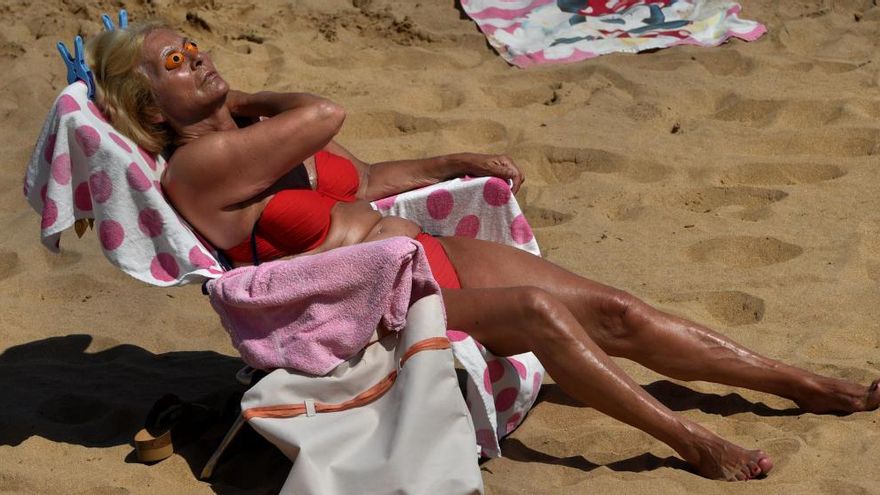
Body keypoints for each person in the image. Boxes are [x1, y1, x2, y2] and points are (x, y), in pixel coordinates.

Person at [85, 22, 878, 481]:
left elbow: (358, 178)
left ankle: (806, 383)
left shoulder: (251, 144)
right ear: (149, 105)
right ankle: (694, 442)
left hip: (419, 258)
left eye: (193, 42)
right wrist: (250, 100)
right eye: (177, 64)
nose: (200, 58)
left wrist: (448, 163)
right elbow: (326, 112)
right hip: (373, 313)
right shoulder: (201, 166)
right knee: (536, 311)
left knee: (615, 309)